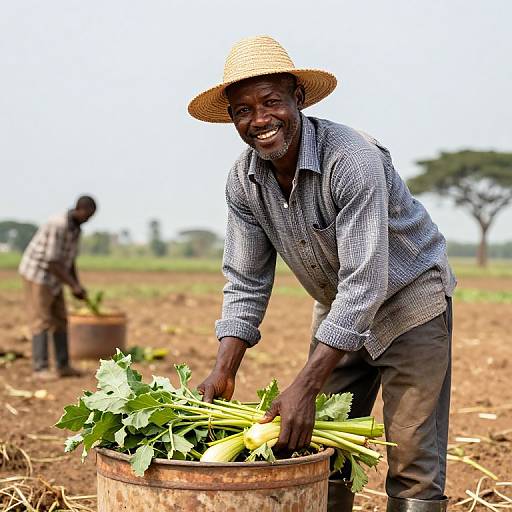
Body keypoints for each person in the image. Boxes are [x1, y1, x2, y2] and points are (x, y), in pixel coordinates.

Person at [188, 36, 456, 512]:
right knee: (317, 450)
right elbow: (247, 281)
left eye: (271, 102)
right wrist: (223, 371)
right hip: (339, 311)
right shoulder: (243, 181)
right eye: (243, 111)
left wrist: (304, 385)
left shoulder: (350, 159)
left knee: (412, 457)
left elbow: (367, 281)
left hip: (409, 304)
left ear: (299, 99)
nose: (260, 120)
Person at [19, 195, 97, 380]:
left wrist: (76, 285)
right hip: (38, 274)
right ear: (80, 209)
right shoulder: (58, 225)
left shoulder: (76, 229)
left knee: (61, 318)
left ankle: (63, 366)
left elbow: (69, 261)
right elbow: (52, 262)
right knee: (41, 320)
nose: (89, 219)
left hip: (55, 278)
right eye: (88, 215)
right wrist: (72, 285)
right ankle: (40, 368)